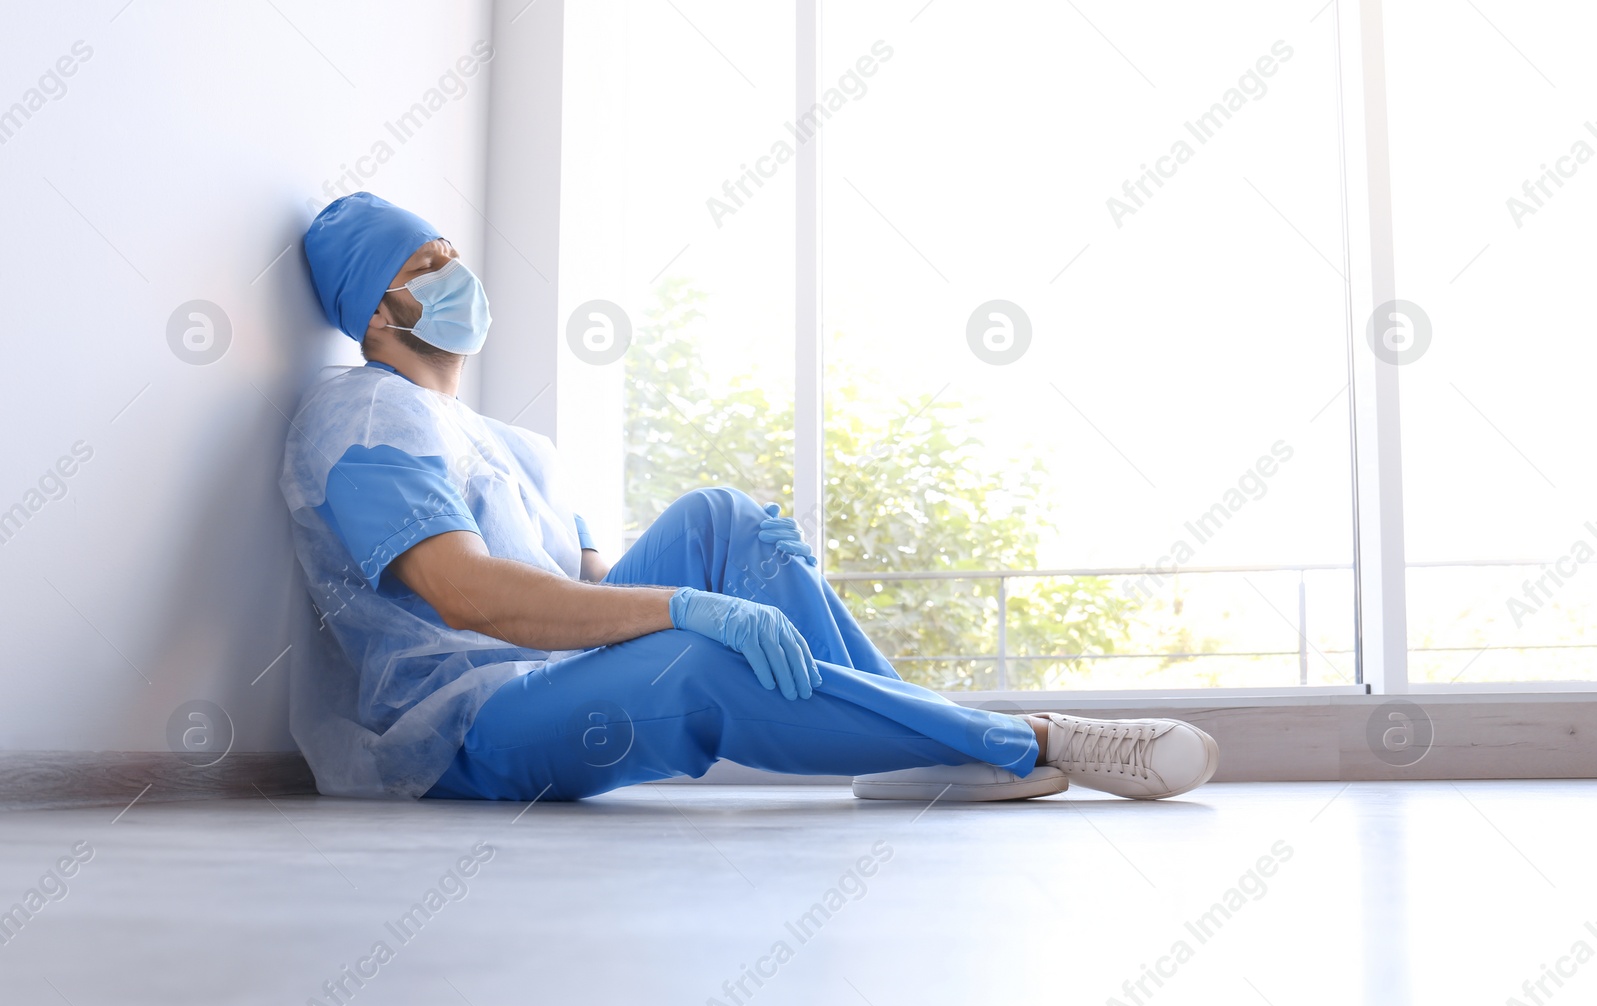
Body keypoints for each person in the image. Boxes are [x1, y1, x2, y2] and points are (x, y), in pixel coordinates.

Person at [282, 192, 1219, 804]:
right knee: (694, 655)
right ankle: (1024, 738)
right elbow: (466, 594)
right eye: (428, 267)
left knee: (719, 518)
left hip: (545, 675)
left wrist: (716, 579)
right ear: (377, 312)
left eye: (454, 258)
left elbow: (592, 584)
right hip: (463, 729)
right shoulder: (363, 418)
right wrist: (690, 609)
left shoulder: (516, 446)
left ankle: (930, 750)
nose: (458, 279)